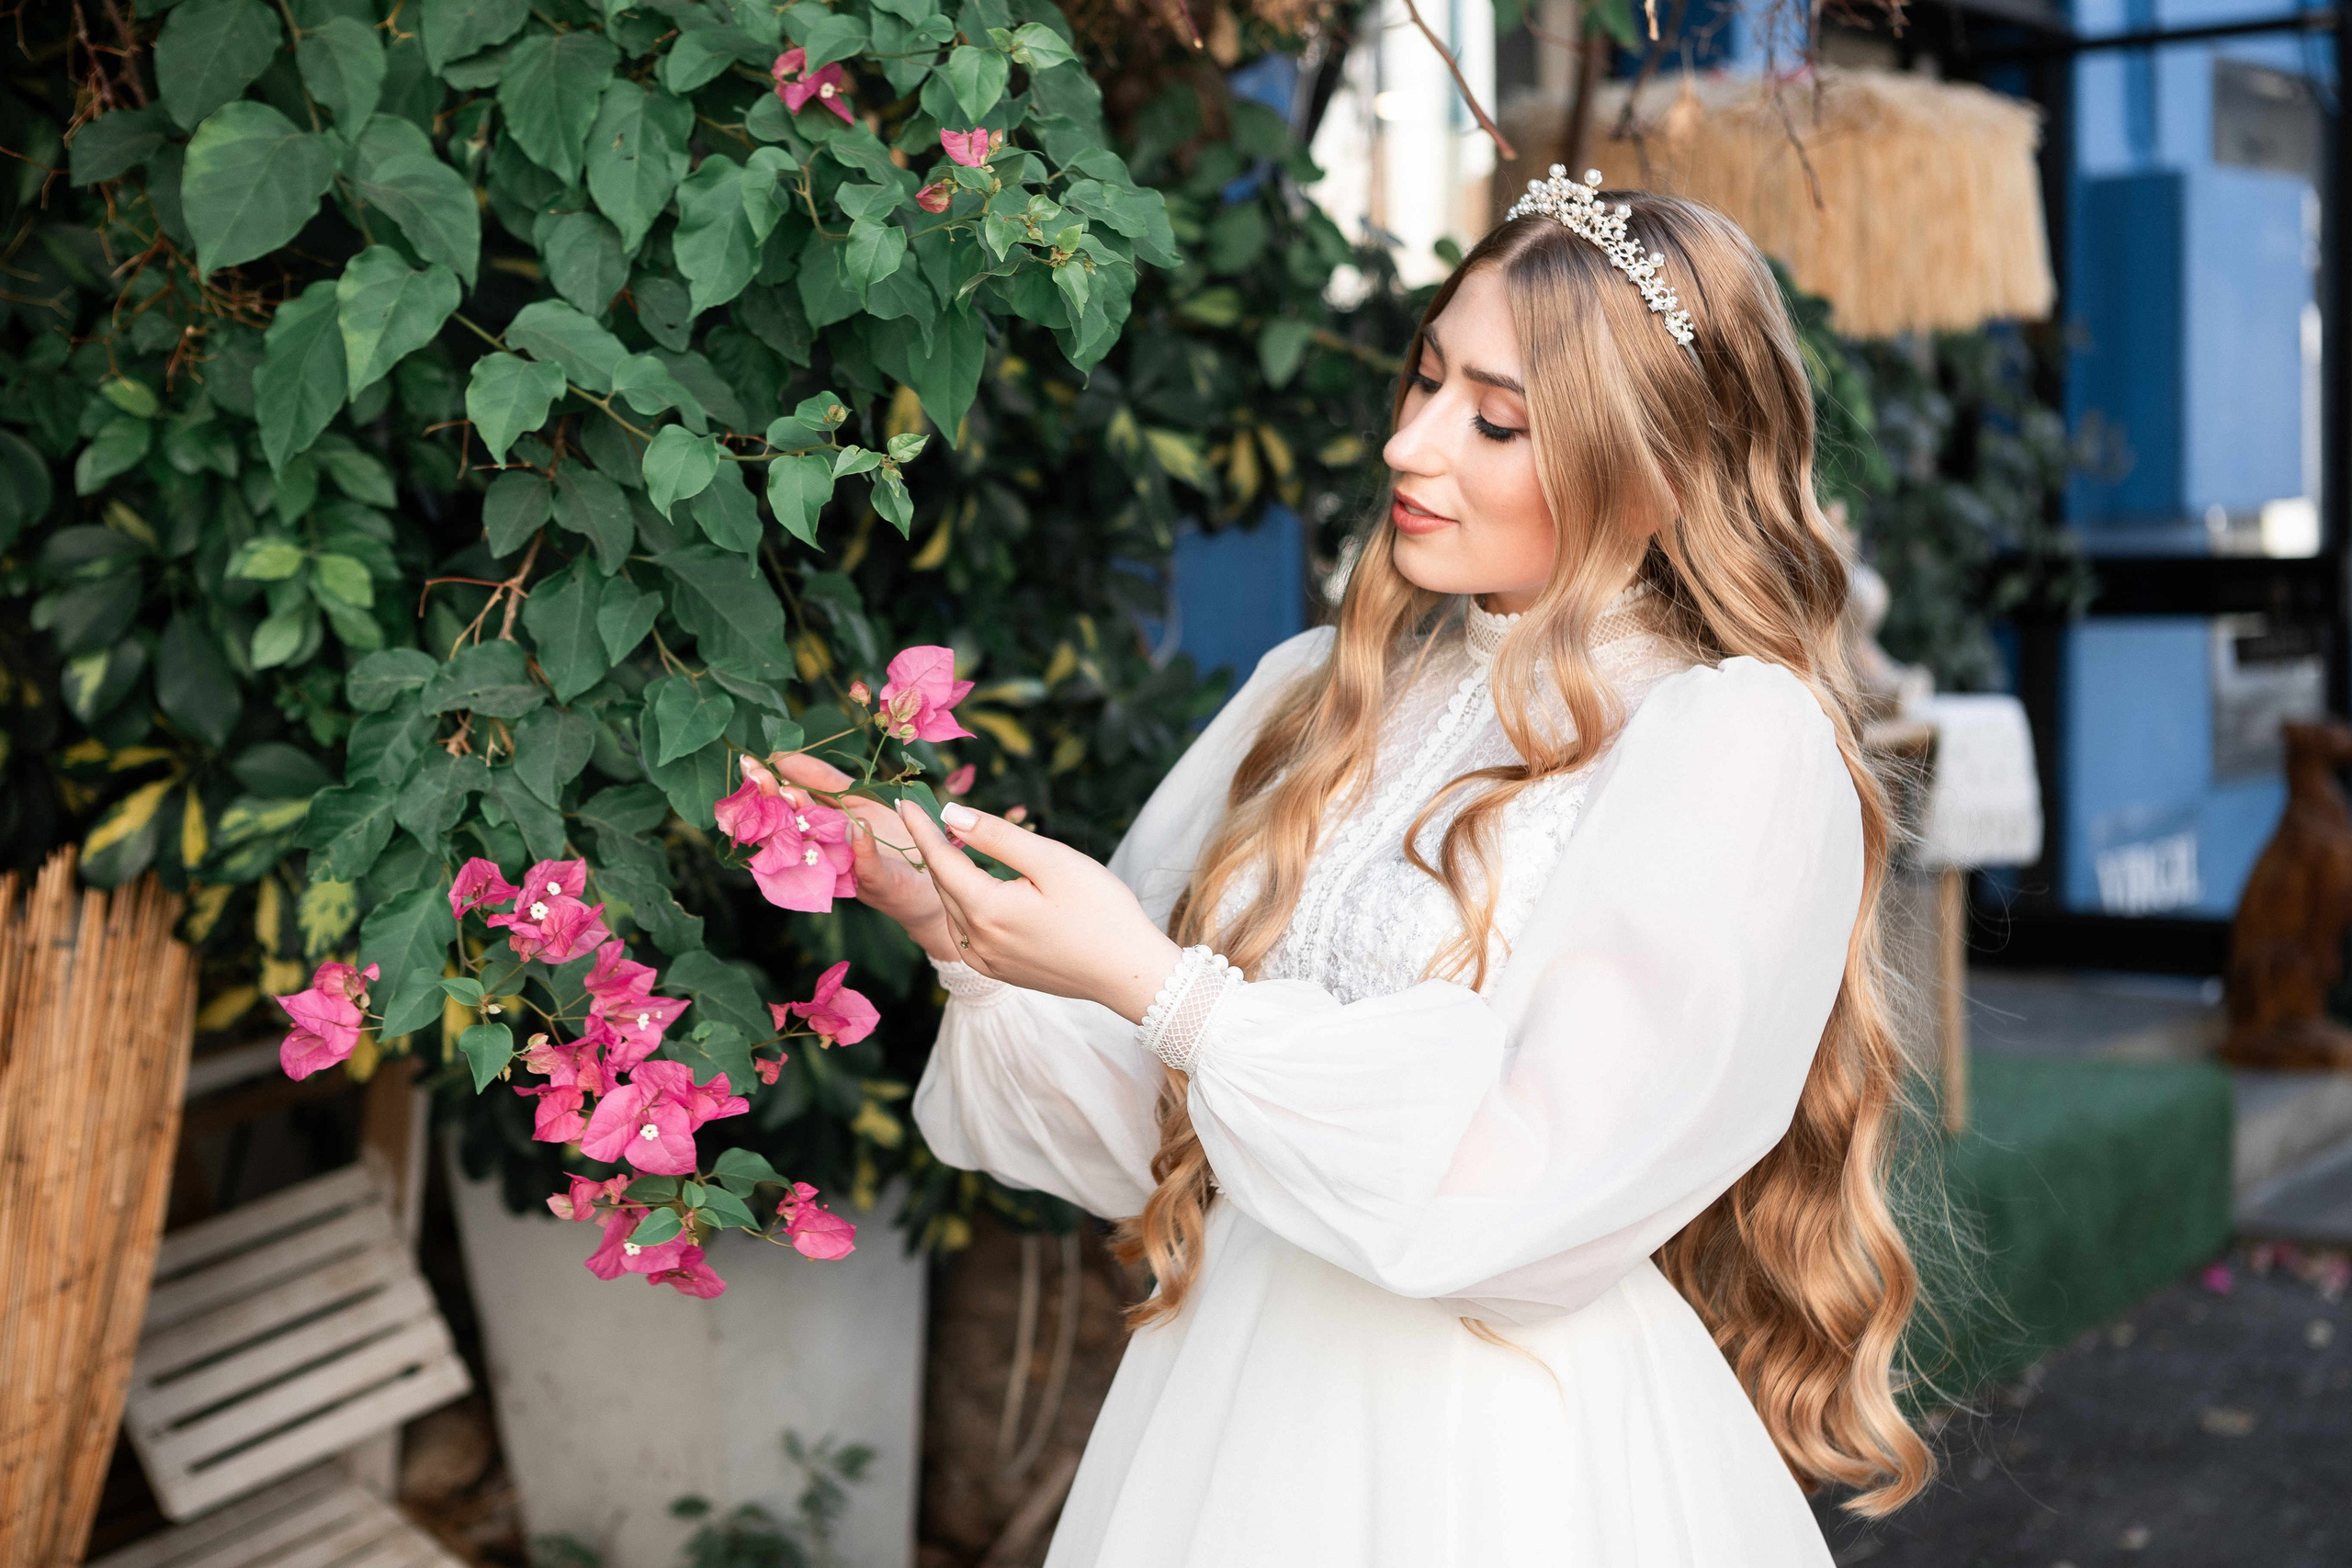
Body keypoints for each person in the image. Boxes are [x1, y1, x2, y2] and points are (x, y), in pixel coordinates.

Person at [781, 169, 1932, 1566]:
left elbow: (1523, 1202)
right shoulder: (1322, 689)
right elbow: (1147, 1137)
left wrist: (1162, 985)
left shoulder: (1726, 742)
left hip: (1498, 1464)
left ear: (1657, 467)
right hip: (1226, 1411)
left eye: (1497, 420)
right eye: (1425, 379)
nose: (1413, 444)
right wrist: (964, 930)